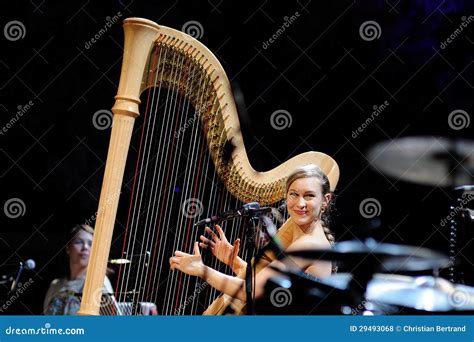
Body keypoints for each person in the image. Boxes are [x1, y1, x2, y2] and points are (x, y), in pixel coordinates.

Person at [169, 164, 335, 313]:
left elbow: (250, 291)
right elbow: (273, 280)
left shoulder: (308, 244)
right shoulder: (309, 238)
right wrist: (233, 262)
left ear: (326, 200)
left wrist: (202, 270)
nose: (300, 203)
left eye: (309, 196)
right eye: (294, 194)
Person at [43, 224, 114, 315]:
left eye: (90, 244)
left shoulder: (99, 282)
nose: (85, 247)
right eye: (78, 242)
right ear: (68, 249)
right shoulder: (55, 285)